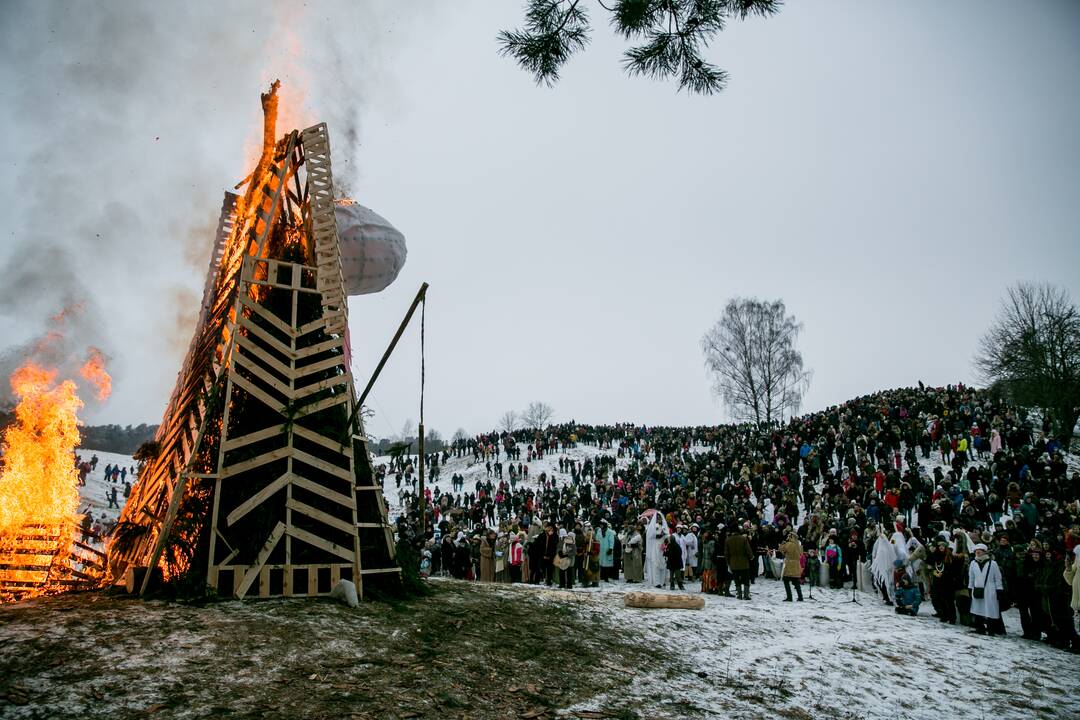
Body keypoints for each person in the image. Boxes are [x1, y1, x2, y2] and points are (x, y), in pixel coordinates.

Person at [968, 543, 1004, 635]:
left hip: (990, 589)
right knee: (978, 608)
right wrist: (970, 587)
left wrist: (999, 589)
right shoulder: (973, 563)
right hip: (977, 589)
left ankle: (991, 629)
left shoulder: (993, 563)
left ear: (984, 552)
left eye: (980, 551)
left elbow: (998, 577)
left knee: (990, 609)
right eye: (976, 551)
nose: (978, 552)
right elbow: (971, 577)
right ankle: (980, 628)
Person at [725, 522, 754, 600]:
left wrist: (728, 562)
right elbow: (748, 550)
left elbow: (726, 553)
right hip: (744, 562)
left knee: (736, 579)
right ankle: (746, 595)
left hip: (733, 562)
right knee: (746, 579)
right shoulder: (743, 538)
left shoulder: (728, 540)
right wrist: (751, 557)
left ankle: (739, 594)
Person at [778, 530, 804, 602]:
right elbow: (801, 553)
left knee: (786, 580)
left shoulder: (788, 544)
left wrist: (782, 544)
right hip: (796, 564)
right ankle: (800, 597)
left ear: (791, 536)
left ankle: (789, 597)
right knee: (796, 582)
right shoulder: (798, 545)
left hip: (789, 564)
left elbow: (781, 550)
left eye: (789, 536)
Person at [645, 513, 667, 588]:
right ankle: (656, 582)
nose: (659, 519)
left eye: (660, 518)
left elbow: (667, 535)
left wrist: (666, 537)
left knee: (663, 563)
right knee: (655, 563)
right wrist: (657, 535)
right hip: (655, 546)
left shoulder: (664, 526)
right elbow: (649, 535)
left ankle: (662, 581)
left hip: (663, 546)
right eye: (657, 518)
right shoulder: (653, 526)